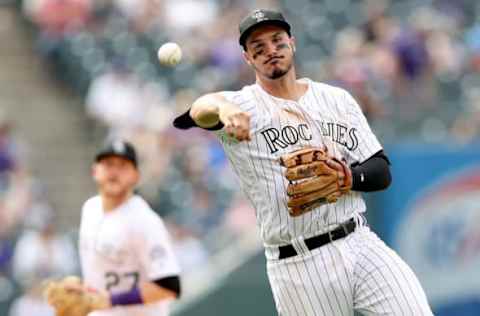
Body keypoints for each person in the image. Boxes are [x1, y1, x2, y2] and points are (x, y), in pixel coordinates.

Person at [173, 9, 433, 316]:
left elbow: (381, 171)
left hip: (359, 242)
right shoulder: (243, 105)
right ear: (247, 58)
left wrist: (348, 177)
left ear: (292, 43)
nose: (270, 50)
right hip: (299, 264)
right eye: (258, 47)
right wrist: (225, 109)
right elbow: (195, 113)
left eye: (277, 41)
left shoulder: (336, 99)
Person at [79, 140, 181, 316]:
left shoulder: (144, 221)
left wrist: (113, 300)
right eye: (108, 164)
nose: (114, 172)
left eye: (123, 166)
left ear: (136, 176)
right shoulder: (90, 208)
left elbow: (169, 286)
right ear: (94, 171)